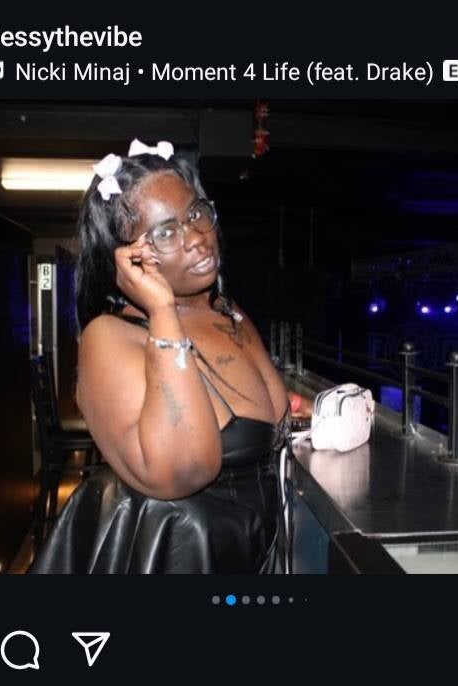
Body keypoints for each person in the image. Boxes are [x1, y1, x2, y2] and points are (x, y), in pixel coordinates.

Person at [30, 140, 306, 574]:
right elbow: (182, 470)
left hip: (256, 550)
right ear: (127, 258)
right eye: (165, 232)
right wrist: (161, 311)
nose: (197, 239)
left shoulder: (226, 311)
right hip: (182, 558)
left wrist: (306, 411)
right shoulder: (111, 336)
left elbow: (259, 418)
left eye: (195, 214)